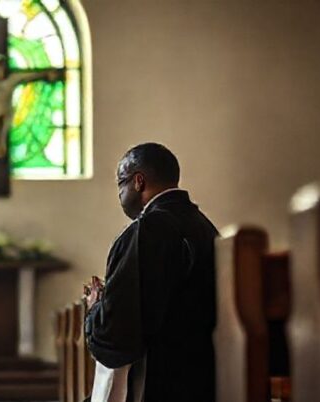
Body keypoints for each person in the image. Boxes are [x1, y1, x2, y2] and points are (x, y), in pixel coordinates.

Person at [84, 143, 219, 402]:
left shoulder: (147, 230)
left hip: (162, 383)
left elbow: (116, 338)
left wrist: (94, 309)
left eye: (120, 183)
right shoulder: (204, 225)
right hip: (204, 380)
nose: (119, 194)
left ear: (138, 181)